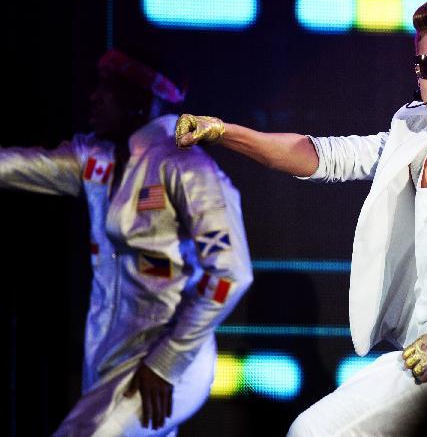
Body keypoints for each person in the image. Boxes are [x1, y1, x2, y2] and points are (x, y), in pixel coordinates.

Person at [176, 2, 427, 435]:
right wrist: (226, 132)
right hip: (426, 353)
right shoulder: (412, 132)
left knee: (314, 431)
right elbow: (322, 155)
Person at [0, 49, 253, 436]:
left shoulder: (185, 166)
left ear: (141, 101)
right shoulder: (97, 159)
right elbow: (14, 166)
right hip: (110, 355)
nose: (94, 97)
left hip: (163, 361)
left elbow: (231, 272)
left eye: (108, 88)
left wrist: (167, 360)